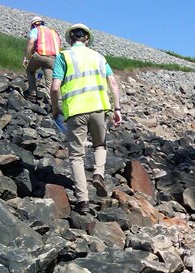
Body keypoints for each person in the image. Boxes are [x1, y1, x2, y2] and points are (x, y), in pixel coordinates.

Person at [50, 23, 122, 214]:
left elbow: (55, 87)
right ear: (87, 39)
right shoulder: (99, 57)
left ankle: (82, 200)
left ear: (70, 39)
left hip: (75, 111)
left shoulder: (63, 56)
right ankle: (98, 173)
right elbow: (113, 83)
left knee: (76, 156)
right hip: (99, 108)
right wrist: (117, 108)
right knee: (100, 145)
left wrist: (55, 109)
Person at [23, 16, 61, 102]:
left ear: (33, 25)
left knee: (30, 70)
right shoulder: (53, 33)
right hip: (52, 59)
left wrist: (26, 57)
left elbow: (31, 42)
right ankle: (52, 103)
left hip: (39, 55)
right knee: (49, 83)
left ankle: (32, 93)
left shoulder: (36, 29)